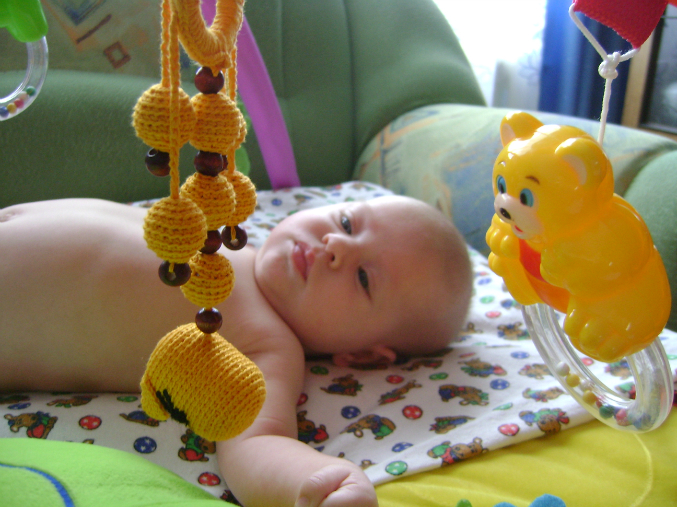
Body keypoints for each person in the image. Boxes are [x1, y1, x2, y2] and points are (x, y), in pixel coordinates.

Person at [0, 194, 472, 507]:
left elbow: (256, 443)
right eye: (347, 222)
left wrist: (321, 483)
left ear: (364, 356)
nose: (335, 246)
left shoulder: (265, 345)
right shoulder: (231, 237)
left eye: (363, 278)